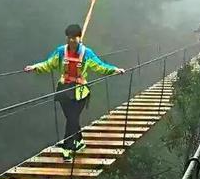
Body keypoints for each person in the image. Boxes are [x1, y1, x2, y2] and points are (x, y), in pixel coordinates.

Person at [24, 24, 125, 161]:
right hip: (64, 89)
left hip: (80, 91)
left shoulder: (86, 53)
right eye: (69, 38)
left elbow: (99, 66)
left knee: (72, 118)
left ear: (79, 37)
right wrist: (35, 67)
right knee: (72, 119)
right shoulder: (61, 51)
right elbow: (49, 64)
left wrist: (114, 69)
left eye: (74, 38)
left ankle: (67, 148)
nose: (71, 40)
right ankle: (80, 141)